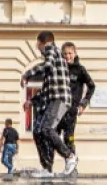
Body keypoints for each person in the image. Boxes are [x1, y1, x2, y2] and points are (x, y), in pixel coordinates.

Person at [21, 31, 72, 173]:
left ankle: (69, 156)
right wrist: (31, 101)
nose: (38, 49)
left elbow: (47, 65)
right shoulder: (55, 60)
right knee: (38, 131)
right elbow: (46, 89)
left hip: (59, 99)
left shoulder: (51, 50)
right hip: (53, 98)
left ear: (41, 43)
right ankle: (47, 168)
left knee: (46, 129)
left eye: (38, 46)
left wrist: (27, 74)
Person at [57, 42, 95, 158]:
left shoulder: (80, 70)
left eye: (70, 53)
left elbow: (92, 86)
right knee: (50, 138)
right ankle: (47, 168)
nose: (67, 56)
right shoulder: (58, 69)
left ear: (75, 53)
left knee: (68, 139)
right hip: (57, 109)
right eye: (65, 54)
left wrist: (83, 104)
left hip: (71, 111)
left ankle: (71, 164)